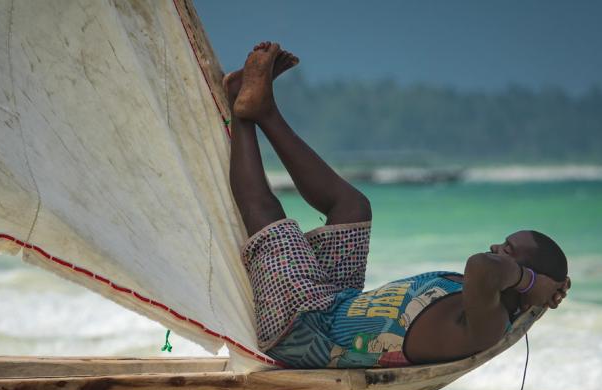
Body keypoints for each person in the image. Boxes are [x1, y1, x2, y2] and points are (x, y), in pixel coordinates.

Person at [227, 42, 570, 369]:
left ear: (523, 275)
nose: (496, 247)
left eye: (508, 248)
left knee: (277, 225)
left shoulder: (489, 322)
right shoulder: (485, 295)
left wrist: (529, 283)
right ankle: (266, 113)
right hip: (336, 302)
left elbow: (481, 266)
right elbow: (490, 269)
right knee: (353, 207)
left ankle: (242, 113)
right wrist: (544, 284)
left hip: (304, 331)